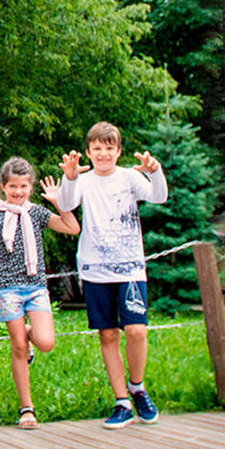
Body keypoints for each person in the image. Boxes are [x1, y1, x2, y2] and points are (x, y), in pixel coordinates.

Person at [57, 121, 168, 429]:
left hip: (130, 267)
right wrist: (69, 178)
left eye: (109, 148)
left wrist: (154, 171)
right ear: (89, 152)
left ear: (118, 151)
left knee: (136, 330)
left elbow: (158, 197)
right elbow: (67, 204)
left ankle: (138, 388)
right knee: (108, 334)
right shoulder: (83, 180)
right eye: (97, 149)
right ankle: (121, 402)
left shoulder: (130, 177)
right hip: (95, 269)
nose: (103, 154)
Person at [0, 158, 79, 431]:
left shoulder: (37, 213)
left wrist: (58, 202)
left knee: (46, 342)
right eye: (13, 187)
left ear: (30, 186)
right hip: (9, 289)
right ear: (3, 187)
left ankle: (29, 332)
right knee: (17, 347)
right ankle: (26, 407)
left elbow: (72, 228)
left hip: (36, 286)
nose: (18, 192)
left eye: (24, 186)